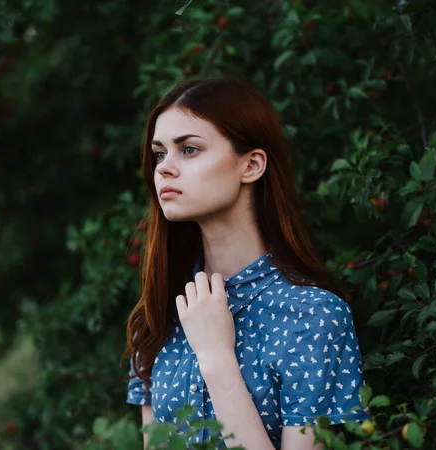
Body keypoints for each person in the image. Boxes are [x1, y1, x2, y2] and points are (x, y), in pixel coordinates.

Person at [122, 76, 370, 450]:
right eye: (160, 153)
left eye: (188, 149)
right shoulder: (159, 315)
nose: (164, 168)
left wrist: (217, 358)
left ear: (251, 165)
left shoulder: (312, 316)